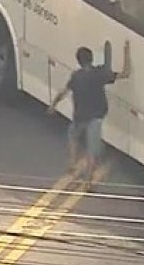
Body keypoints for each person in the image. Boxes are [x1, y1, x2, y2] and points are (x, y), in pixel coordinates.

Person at [48, 40, 132, 180]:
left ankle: (72, 163)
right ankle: (88, 180)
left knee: (73, 135)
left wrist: (53, 105)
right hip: (96, 116)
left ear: (79, 61)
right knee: (92, 149)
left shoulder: (76, 76)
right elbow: (126, 73)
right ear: (91, 59)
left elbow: (63, 92)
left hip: (80, 116)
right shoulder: (99, 74)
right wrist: (126, 52)